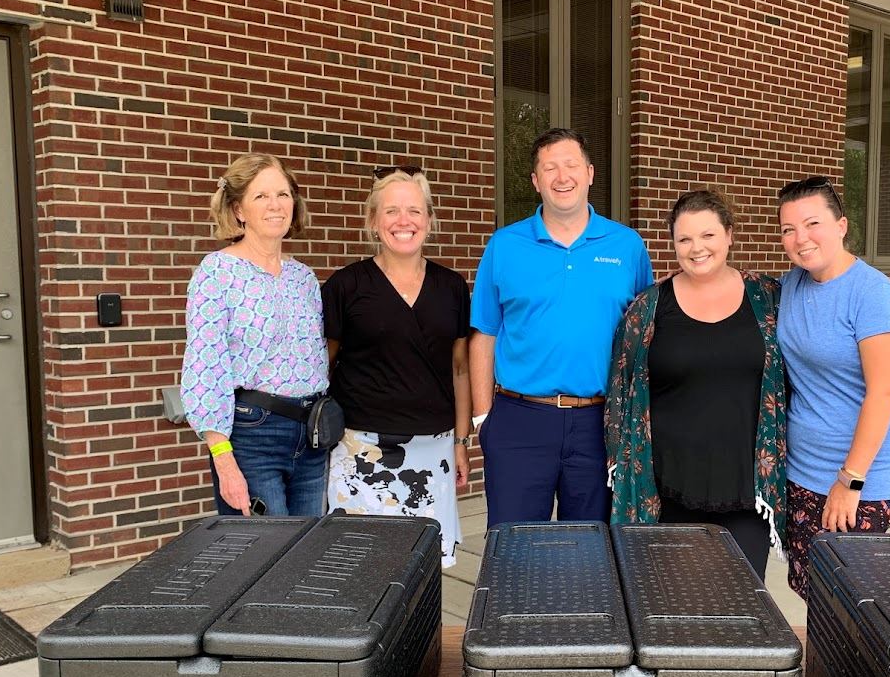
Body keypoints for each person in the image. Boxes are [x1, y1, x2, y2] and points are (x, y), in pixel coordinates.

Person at [469, 127, 652, 527]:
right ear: (536, 181)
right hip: (519, 419)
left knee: (591, 549)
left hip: (599, 422)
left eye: (571, 165)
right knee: (514, 545)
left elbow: (644, 338)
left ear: (589, 173)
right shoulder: (504, 245)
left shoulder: (627, 246)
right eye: (549, 168)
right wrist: (484, 419)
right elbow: (484, 332)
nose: (561, 176)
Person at [605, 188, 785, 578]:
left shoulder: (769, 298)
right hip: (668, 488)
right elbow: (620, 390)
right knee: (673, 605)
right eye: (684, 238)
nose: (696, 248)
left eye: (708, 235)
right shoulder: (648, 308)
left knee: (740, 603)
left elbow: (810, 357)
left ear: (729, 235)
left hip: (745, 489)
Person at [322, 167, 471, 568]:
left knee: (421, 568)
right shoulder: (345, 286)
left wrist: (460, 442)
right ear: (373, 221)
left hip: (432, 450)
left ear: (429, 221)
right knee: (359, 564)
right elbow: (325, 365)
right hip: (359, 450)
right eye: (391, 212)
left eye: (414, 211)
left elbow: (459, 369)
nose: (403, 221)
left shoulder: (453, 287)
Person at [776, 175, 890, 598]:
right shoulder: (789, 286)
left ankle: (851, 668)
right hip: (803, 468)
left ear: (841, 226)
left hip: (863, 475)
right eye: (788, 229)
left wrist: (850, 481)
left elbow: (885, 391)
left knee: (849, 597)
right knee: (808, 587)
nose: (801, 238)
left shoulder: (871, 293)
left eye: (812, 223)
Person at [182, 154, 328, 517]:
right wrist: (223, 460)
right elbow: (205, 367)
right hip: (253, 434)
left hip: (311, 434)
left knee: (308, 555)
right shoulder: (217, 272)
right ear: (238, 210)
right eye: (261, 196)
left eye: (283, 194)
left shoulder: (303, 278)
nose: (276, 205)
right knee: (265, 557)